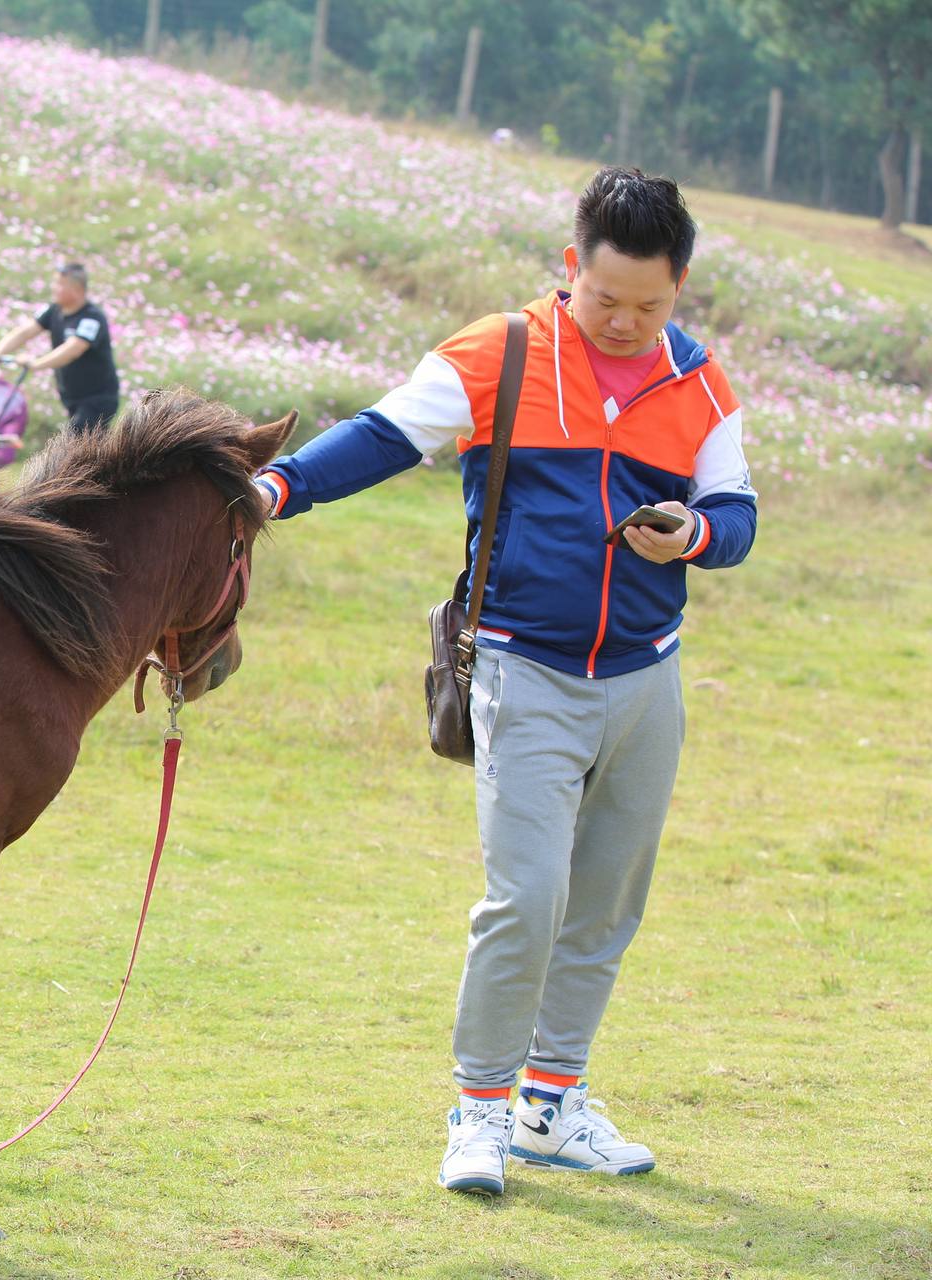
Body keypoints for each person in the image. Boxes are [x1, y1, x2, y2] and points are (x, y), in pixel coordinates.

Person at [251, 167, 757, 1197]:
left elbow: (735, 515)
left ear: (681, 287)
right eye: (606, 297)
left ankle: (550, 1103)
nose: (624, 321)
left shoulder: (696, 379)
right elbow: (384, 434)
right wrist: (280, 485)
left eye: (649, 305)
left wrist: (693, 533)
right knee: (526, 897)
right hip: (525, 667)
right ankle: (478, 1107)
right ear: (572, 266)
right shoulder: (504, 353)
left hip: (646, 681)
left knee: (606, 904)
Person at [0, 262, 119, 433]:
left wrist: (36, 364)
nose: (54, 288)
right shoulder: (53, 311)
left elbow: (73, 349)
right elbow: (25, 332)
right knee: (87, 447)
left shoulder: (92, 318)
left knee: (74, 441)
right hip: (72, 398)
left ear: (77, 289)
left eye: (60, 284)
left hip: (98, 399)